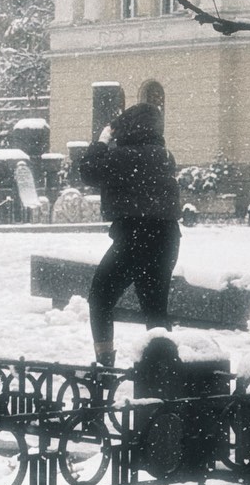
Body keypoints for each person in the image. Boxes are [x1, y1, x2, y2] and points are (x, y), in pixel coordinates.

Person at [78, 103, 182, 367]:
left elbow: (88, 170)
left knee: (100, 298)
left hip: (136, 236)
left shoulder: (127, 156)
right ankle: (164, 370)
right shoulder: (163, 154)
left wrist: (102, 140)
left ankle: (104, 364)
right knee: (155, 308)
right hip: (167, 237)